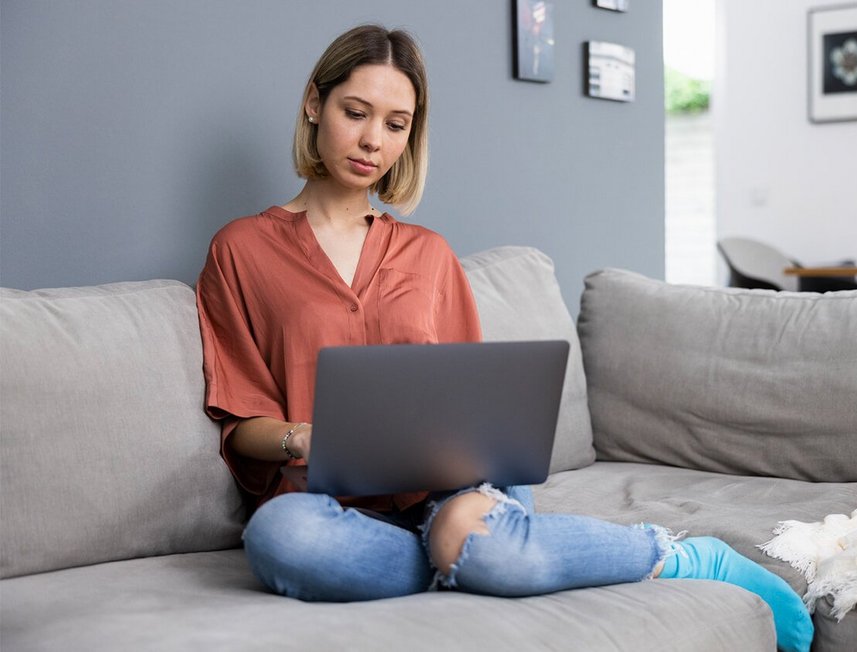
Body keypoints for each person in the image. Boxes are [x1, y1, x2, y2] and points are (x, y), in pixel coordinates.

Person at [196, 24, 813, 652]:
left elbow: (472, 406)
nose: (372, 141)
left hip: (448, 489)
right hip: (329, 507)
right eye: (356, 113)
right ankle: (476, 560)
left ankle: (685, 556)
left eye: (396, 124)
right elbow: (242, 421)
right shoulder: (242, 250)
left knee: (464, 522)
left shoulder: (428, 254)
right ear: (313, 104)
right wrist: (305, 437)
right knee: (281, 537)